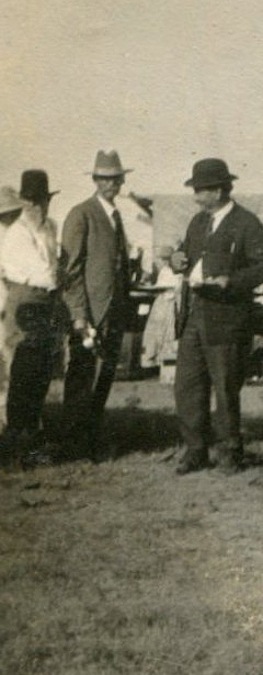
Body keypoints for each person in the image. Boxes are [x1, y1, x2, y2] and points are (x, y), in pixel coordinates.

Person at [171, 158, 263, 474]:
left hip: (228, 317)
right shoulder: (197, 222)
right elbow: (187, 256)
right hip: (194, 313)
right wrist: (177, 260)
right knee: (188, 385)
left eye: (200, 190)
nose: (195, 196)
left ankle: (230, 451)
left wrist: (232, 281)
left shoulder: (247, 223)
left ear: (218, 191)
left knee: (226, 387)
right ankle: (195, 450)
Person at [58, 151, 135, 462]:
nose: (111, 184)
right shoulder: (81, 214)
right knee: (82, 379)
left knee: (103, 379)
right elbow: (70, 270)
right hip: (90, 314)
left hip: (114, 312)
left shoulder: (116, 217)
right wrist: (79, 314)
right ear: (95, 180)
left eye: (116, 179)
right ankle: (73, 446)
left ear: (122, 180)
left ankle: (90, 440)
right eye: (104, 179)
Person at [0, 171, 62, 467]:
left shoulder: (49, 228)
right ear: (25, 203)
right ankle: (16, 440)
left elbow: (55, 264)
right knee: (23, 370)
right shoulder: (17, 234)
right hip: (25, 299)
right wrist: (59, 278)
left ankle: (33, 437)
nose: (39, 207)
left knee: (41, 370)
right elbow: (44, 273)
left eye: (43, 201)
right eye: (33, 202)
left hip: (46, 301)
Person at [0, 185, 25, 433]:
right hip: (4, 307)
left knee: (12, 362)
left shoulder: (17, 235)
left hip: (13, 308)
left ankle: (12, 420)